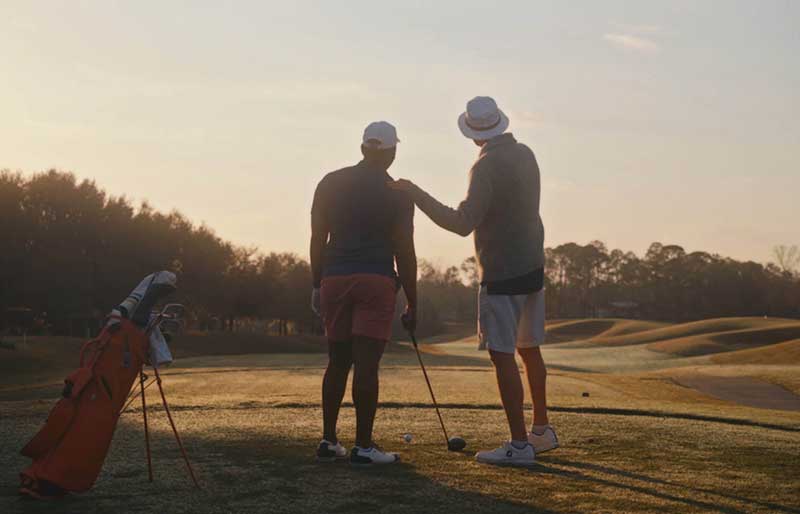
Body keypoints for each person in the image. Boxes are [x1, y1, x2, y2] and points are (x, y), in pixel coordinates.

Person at [389, 97, 557, 467]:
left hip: (502, 272)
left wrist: (416, 194)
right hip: (533, 266)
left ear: (472, 132)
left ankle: (518, 444)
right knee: (529, 349)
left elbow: (462, 222)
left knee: (502, 354)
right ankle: (541, 430)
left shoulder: (484, 166)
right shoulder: (526, 153)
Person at [310, 121, 417, 466]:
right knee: (367, 364)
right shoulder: (398, 191)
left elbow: (317, 238)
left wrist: (317, 282)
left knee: (338, 361)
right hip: (375, 279)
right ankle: (364, 446)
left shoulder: (330, 182)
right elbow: (405, 249)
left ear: (361, 149)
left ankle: (329, 440)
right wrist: (413, 300)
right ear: (392, 151)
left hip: (334, 278)